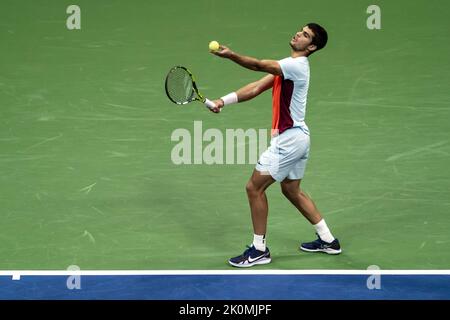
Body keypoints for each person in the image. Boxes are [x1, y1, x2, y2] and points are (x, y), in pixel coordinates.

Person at [209, 23, 342, 268]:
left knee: (254, 188)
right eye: (300, 30)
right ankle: (328, 240)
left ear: (311, 46)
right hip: (299, 137)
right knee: (291, 190)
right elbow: (256, 87)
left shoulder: (296, 66)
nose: (298, 34)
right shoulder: (288, 67)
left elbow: (258, 64)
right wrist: (222, 101)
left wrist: (232, 55)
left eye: (305, 35)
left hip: (289, 140)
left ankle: (259, 249)